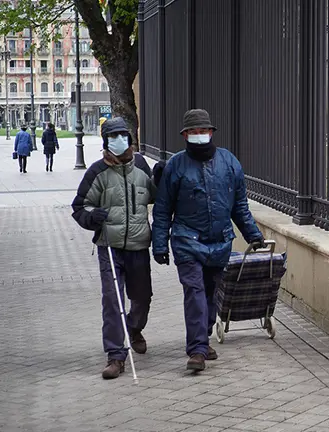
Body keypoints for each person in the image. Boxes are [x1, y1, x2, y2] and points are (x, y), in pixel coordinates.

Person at [152, 109, 265, 371]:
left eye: (203, 131)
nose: (199, 135)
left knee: (211, 292)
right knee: (194, 292)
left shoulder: (229, 163)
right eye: (193, 132)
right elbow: (162, 208)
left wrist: (253, 234)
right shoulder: (175, 166)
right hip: (186, 240)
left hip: (220, 241)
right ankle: (197, 350)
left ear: (211, 132)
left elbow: (239, 205)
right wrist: (160, 244)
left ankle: (204, 338)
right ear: (184, 136)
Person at [71, 117, 157, 379]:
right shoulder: (96, 172)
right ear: (106, 142)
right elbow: (79, 206)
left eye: (122, 135)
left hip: (139, 244)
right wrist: (91, 217)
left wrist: (163, 179)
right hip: (109, 246)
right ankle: (116, 355)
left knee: (142, 297)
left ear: (129, 139)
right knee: (112, 299)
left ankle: (134, 328)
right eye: (113, 136)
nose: (119, 140)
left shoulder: (141, 166)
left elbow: (156, 196)